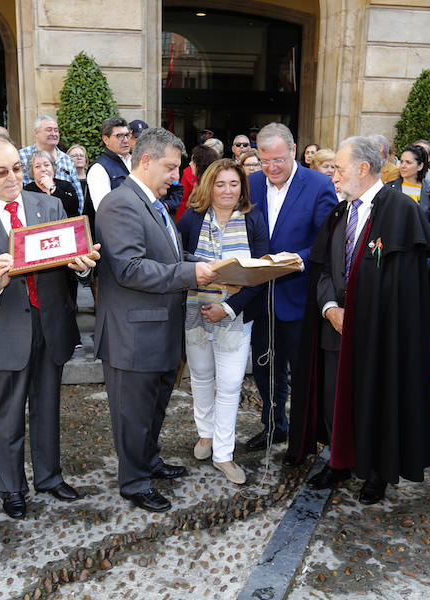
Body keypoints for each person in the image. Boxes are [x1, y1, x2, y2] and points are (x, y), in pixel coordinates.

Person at [0, 134, 100, 519]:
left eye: (17, 167)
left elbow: (70, 258)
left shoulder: (48, 205)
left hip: (50, 324)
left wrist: (81, 268)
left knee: (48, 408)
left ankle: (49, 476)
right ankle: (12, 487)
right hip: (2, 327)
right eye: (1, 172)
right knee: (8, 414)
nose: (12, 177)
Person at [285, 136, 430, 504]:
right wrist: (330, 307)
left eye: (338, 168)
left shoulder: (402, 211)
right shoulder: (340, 214)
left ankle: (377, 472)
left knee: (376, 400)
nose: (333, 177)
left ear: (363, 168)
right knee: (334, 400)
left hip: (380, 338)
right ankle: (339, 461)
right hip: (335, 331)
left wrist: (364, 314)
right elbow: (322, 271)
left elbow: (408, 286)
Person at [94, 127, 218, 512]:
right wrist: (191, 275)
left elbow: (171, 257)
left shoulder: (153, 202)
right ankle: (134, 482)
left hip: (158, 331)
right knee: (133, 414)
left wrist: (214, 267)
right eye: (170, 167)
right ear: (145, 162)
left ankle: (147, 461)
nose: (176, 177)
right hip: (133, 335)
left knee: (153, 408)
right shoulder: (120, 204)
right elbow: (129, 269)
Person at [245, 123, 338, 451]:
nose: (271, 168)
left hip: (298, 296)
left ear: (294, 151)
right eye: (265, 160)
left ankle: (303, 437)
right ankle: (274, 427)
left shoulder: (318, 184)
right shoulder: (251, 183)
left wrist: (293, 259)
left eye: (279, 160)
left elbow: (326, 241)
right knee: (264, 368)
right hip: (260, 298)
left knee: (302, 374)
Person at [176, 159, 269, 485]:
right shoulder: (192, 218)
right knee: (201, 376)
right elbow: (176, 258)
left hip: (235, 314)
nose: (228, 190)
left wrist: (228, 308)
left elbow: (261, 273)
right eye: (220, 184)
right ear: (208, 186)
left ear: (242, 187)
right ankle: (205, 435)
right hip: (197, 310)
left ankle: (224, 454)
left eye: (234, 184)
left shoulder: (254, 219)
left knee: (229, 385)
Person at [19, 114, 84, 212]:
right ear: (36, 133)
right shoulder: (21, 157)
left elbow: (78, 195)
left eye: (56, 130)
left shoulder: (67, 159)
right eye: (49, 130)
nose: (54, 134)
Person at [386, 144, 430, 238]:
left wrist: (428, 241)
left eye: (408, 162)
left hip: (420, 247)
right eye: (402, 161)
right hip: (393, 245)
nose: (403, 166)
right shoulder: (389, 188)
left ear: (420, 166)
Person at [87, 117, 132, 212]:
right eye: (119, 136)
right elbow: (104, 209)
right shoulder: (98, 169)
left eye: (127, 135)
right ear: (106, 140)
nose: (125, 140)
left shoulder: (136, 160)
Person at [25, 150, 80, 218]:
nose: (43, 169)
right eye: (38, 166)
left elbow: (73, 208)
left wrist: (52, 188)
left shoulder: (66, 185)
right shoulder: (27, 191)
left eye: (46, 165)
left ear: (53, 168)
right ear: (32, 171)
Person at [175, 145, 218, 220]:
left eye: (193, 161)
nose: (190, 164)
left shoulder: (211, 188)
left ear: (199, 165)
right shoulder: (202, 184)